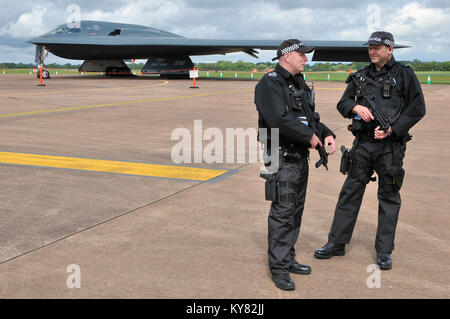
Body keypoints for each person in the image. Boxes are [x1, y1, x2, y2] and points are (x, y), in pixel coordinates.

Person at [314, 31, 426, 270]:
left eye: (377, 47)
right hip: (363, 145)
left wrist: (393, 130)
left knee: (388, 198)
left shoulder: (404, 75)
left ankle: (384, 251)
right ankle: (337, 243)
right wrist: (356, 107)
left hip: (391, 148)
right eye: (370, 47)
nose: (372, 51)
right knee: (350, 193)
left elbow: (417, 109)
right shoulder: (361, 76)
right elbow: (342, 104)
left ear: (390, 49)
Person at [254, 39, 337, 290]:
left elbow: (310, 118)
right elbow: (279, 119)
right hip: (279, 155)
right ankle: (278, 268)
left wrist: (325, 133)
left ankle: (287, 258)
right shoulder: (269, 84)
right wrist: (310, 137)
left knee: (295, 209)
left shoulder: (297, 83)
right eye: (301, 54)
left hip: (299, 156)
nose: (305, 59)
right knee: (282, 211)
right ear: (286, 56)